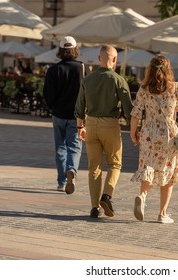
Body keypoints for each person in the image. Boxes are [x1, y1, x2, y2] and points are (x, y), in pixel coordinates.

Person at [75, 45, 133, 219]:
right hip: (110, 125)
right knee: (115, 164)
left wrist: (80, 127)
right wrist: (135, 130)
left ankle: (94, 207)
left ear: (99, 58)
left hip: (91, 124)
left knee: (94, 167)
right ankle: (106, 195)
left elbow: (79, 105)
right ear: (114, 60)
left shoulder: (88, 79)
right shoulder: (118, 80)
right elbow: (129, 110)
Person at [130, 55, 178, 224]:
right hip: (168, 134)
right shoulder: (176, 88)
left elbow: (136, 115)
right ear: (168, 70)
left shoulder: (144, 89)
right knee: (167, 172)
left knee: (148, 165)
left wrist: (133, 133)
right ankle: (162, 214)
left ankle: (143, 196)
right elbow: (176, 112)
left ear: (150, 70)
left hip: (148, 132)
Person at [43, 36, 84, 194]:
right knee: (74, 147)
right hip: (76, 115)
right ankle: (71, 169)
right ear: (75, 49)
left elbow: (47, 93)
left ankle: (61, 181)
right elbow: (84, 91)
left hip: (58, 114)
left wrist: (53, 106)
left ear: (60, 50)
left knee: (60, 148)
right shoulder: (81, 68)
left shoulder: (53, 70)